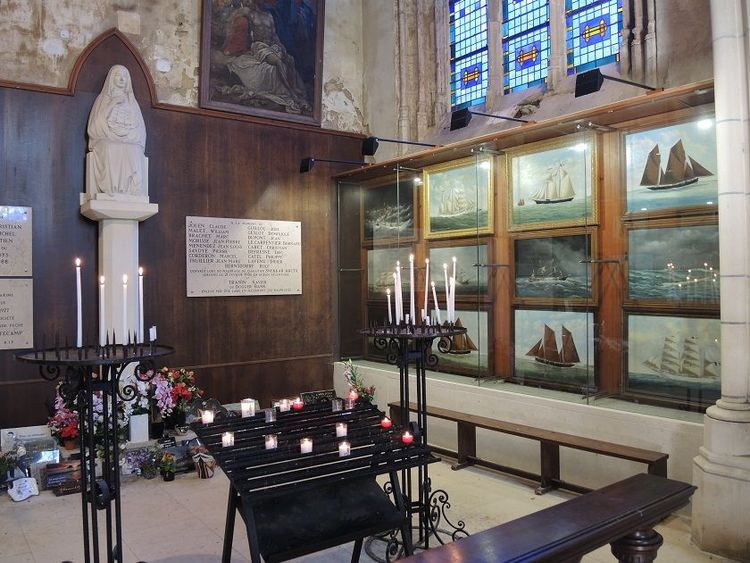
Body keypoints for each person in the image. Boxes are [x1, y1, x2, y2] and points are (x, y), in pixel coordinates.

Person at [220, 0, 310, 115]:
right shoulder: (249, 13)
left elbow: (274, 36)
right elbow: (236, 21)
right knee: (277, 62)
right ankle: (291, 92)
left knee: (290, 60)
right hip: (259, 46)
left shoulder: (269, 16)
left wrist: (282, 49)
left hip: (272, 46)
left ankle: (295, 89)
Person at [87, 65, 147, 196]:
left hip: (127, 140)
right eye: (118, 75)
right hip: (107, 139)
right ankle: (112, 189)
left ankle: (131, 190)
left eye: (125, 76)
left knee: (135, 149)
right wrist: (112, 103)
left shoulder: (132, 102)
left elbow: (140, 132)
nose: (122, 79)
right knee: (108, 147)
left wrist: (127, 135)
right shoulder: (103, 99)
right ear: (111, 78)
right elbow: (94, 127)